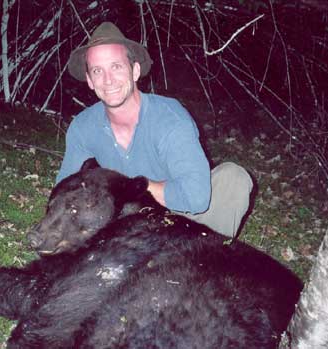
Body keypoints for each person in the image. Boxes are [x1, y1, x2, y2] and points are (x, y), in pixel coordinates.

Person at [57, 22, 253, 238]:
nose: (108, 79)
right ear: (90, 81)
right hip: (129, 219)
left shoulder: (170, 118)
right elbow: (64, 188)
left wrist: (131, 187)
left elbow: (196, 198)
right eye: (97, 70)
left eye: (116, 66)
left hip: (185, 217)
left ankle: (208, 260)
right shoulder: (83, 126)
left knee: (234, 178)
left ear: (135, 71)